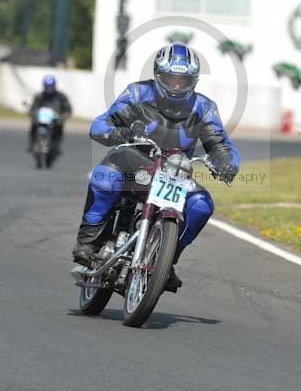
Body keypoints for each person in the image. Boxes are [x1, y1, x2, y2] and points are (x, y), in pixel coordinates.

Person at [72, 43, 239, 291]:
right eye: (171, 79)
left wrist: (225, 162)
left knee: (201, 205)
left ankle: (167, 258)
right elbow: (100, 124)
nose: (176, 86)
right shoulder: (138, 94)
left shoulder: (204, 107)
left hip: (175, 173)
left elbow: (221, 143)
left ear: (193, 80)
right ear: (158, 75)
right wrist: (122, 133)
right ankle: (88, 242)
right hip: (131, 161)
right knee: (105, 178)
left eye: (183, 80)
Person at [29, 75, 72, 154]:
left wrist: (62, 117)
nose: (49, 89)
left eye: (51, 86)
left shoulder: (61, 97)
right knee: (34, 124)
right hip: (42, 119)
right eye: (47, 86)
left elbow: (68, 109)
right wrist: (34, 115)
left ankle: (56, 145)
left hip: (55, 118)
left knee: (59, 127)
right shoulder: (39, 96)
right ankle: (33, 143)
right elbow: (33, 108)